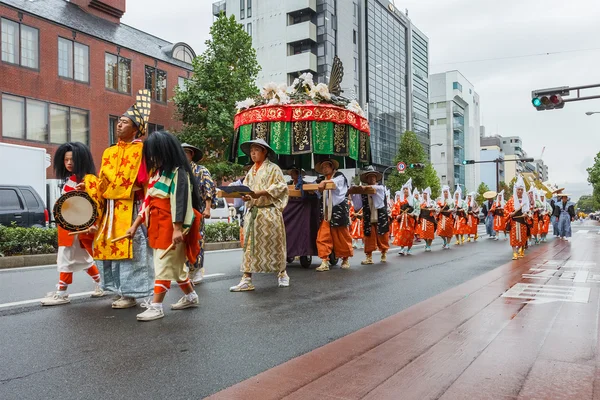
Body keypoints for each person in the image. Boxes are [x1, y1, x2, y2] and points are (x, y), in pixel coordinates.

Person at [127, 132, 202, 321]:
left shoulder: (178, 172)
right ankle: (191, 296)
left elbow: (180, 201)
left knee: (163, 264)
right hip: (157, 224)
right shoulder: (156, 174)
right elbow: (147, 201)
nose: (152, 158)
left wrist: (178, 228)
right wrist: (135, 225)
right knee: (175, 267)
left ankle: (157, 305)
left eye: (155, 153)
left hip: (170, 225)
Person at [91, 89, 154, 309]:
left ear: (136, 129)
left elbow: (146, 182)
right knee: (109, 247)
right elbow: (102, 182)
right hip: (111, 209)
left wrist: (146, 211)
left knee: (135, 250)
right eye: (119, 121)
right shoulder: (108, 152)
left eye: (125, 122)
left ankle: (140, 293)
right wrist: (89, 187)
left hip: (132, 206)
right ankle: (121, 290)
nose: (119, 125)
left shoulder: (142, 150)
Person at [41, 143, 104, 306]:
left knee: (66, 258)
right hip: (69, 226)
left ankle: (61, 293)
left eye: (72, 159)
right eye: (66, 159)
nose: (68, 163)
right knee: (82, 258)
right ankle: (101, 284)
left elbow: (97, 204)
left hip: (78, 227)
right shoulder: (72, 180)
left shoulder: (89, 181)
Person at [230, 139, 290, 291]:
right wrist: (246, 196)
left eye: (256, 150)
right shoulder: (251, 171)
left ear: (265, 152)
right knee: (249, 246)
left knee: (275, 244)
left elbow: (281, 187)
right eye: (251, 151)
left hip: (270, 213)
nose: (253, 153)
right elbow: (248, 190)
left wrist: (261, 192)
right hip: (254, 213)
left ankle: (282, 273)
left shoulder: (274, 168)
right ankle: (246, 278)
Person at [181, 143, 216, 285]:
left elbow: (208, 189)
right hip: (181, 211)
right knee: (182, 242)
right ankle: (186, 270)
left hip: (197, 209)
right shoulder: (178, 171)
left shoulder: (201, 171)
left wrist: (207, 208)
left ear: (191, 155)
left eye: (185, 153)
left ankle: (197, 269)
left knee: (197, 239)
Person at [314, 158, 353, 271]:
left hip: (338, 210)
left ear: (332, 167)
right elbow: (313, 187)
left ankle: (345, 259)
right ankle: (324, 260)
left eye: (327, 166)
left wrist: (324, 182)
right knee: (323, 236)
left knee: (341, 236)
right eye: (323, 167)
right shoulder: (321, 179)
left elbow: (335, 183)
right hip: (325, 211)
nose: (324, 169)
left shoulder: (340, 176)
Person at [353, 166, 389, 265]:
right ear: (367, 179)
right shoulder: (364, 191)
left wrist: (362, 188)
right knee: (368, 237)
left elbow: (375, 188)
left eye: (373, 177)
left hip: (380, 215)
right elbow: (358, 205)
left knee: (382, 235)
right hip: (368, 216)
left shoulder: (380, 187)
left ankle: (384, 253)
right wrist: (354, 193)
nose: (372, 178)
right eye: (369, 177)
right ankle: (369, 257)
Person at [392, 179, 420, 255]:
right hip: (402, 220)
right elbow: (395, 209)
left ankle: (409, 249)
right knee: (401, 234)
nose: (405, 191)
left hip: (410, 219)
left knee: (410, 234)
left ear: (409, 190)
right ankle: (402, 248)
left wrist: (413, 214)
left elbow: (417, 208)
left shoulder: (413, 199)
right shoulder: (400, 200)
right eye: (404, 189)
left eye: (406, 189)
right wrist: (397, 215)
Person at [505, 175, 530, 260]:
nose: (520, 191)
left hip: (523, 221)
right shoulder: (511, 200)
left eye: (521, 189)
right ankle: (515, 252)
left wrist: (527, 214)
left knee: (523, 237)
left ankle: (522, 249)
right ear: (516, 190)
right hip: (514, 222)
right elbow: (505, 210)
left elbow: (529, 211)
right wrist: (510, 214)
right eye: (518, 189)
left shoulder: (525, 200)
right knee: (513, 237)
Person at [419, 187, 437, 252]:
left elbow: (436, 209)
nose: (424, 195)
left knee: (430, 233)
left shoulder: (432, 202)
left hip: (430, 219)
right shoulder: (421, 202)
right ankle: (426, 243)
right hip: (423, 219)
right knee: (423, 233)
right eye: (423, 194)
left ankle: (429, 245)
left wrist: (433, 209)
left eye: (426, 194)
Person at [436, 185, 455, 249]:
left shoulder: (451, 201)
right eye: (444, 192)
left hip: (448, 217)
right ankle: (444, 241)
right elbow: (437, 208)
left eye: (446, 192)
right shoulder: (440, 201)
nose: (445, 193)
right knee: (440, 231)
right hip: (442, 217)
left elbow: (453, 208)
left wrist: (451, 209)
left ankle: (448, 243)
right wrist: (439, 209)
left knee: (449, 231)